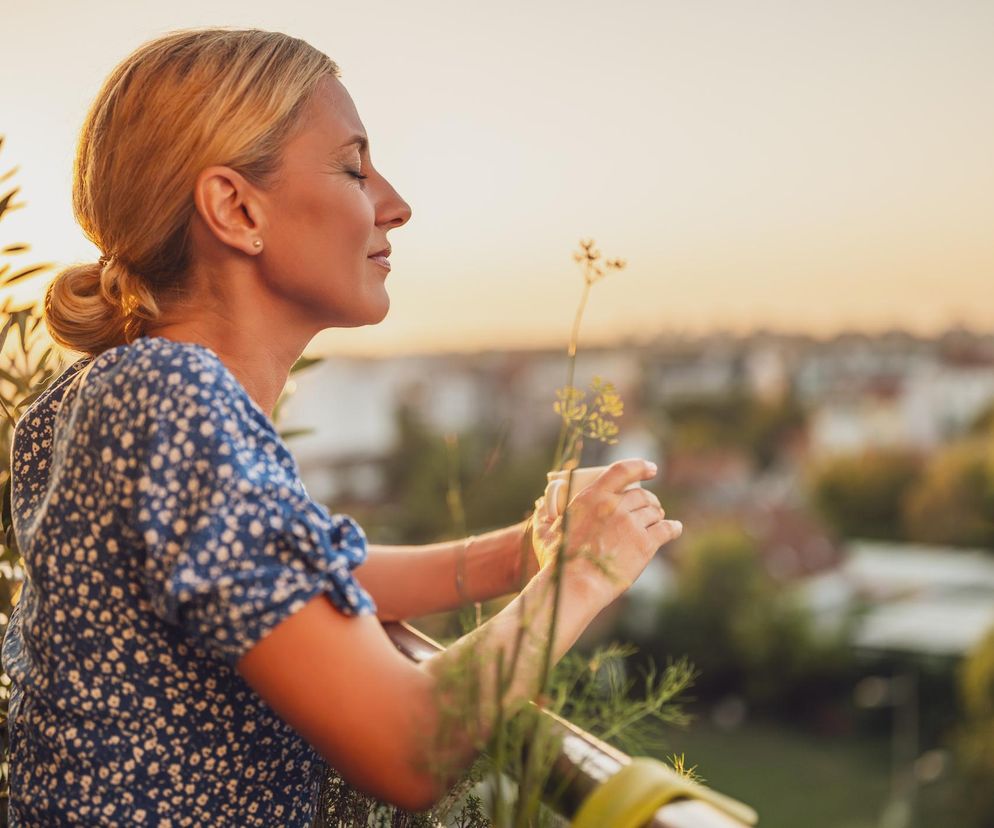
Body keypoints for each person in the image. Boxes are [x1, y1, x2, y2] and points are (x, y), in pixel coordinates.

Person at [1, 26, 684, 826]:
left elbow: (300, 582)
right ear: (235, 207)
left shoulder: (92, 400)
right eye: (354, 168)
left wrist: (525, 551)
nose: (394, 204)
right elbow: (407, 747)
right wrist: (586, 573)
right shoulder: (172, 401)